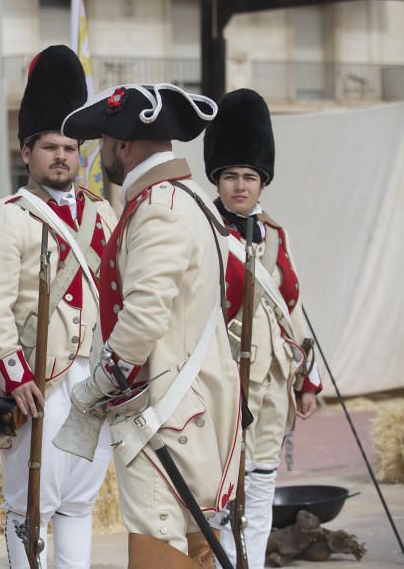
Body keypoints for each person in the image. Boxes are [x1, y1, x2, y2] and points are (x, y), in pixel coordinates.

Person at [55, 84, 240, 567]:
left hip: (162, 412)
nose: (99, 152)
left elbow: (144, 317)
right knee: (192, 540)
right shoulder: (187, 198)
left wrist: (95, 387)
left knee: (159, 540)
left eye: (102, 141)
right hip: (182, 406)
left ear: (122, 145)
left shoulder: (160, 207)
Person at [0, 45, 117, 568]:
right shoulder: (8, 216)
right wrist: (16, 378)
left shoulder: (102, 215)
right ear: (26, 152)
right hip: (41, 383)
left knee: (81, 503)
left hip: (95, 381)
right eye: (49, 146)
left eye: (70, 146)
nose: (62, 156)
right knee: (28, 506)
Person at [204, 88, 322, 568]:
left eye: (248, 177)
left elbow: (291, 306)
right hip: (223, 379)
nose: (239, 186)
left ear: (261, 181)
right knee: (219, 488)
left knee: (260, 484)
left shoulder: (275, 234)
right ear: (217, 179)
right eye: (229, 176)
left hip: (272, 382)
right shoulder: (203, 228)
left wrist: (306, 379)